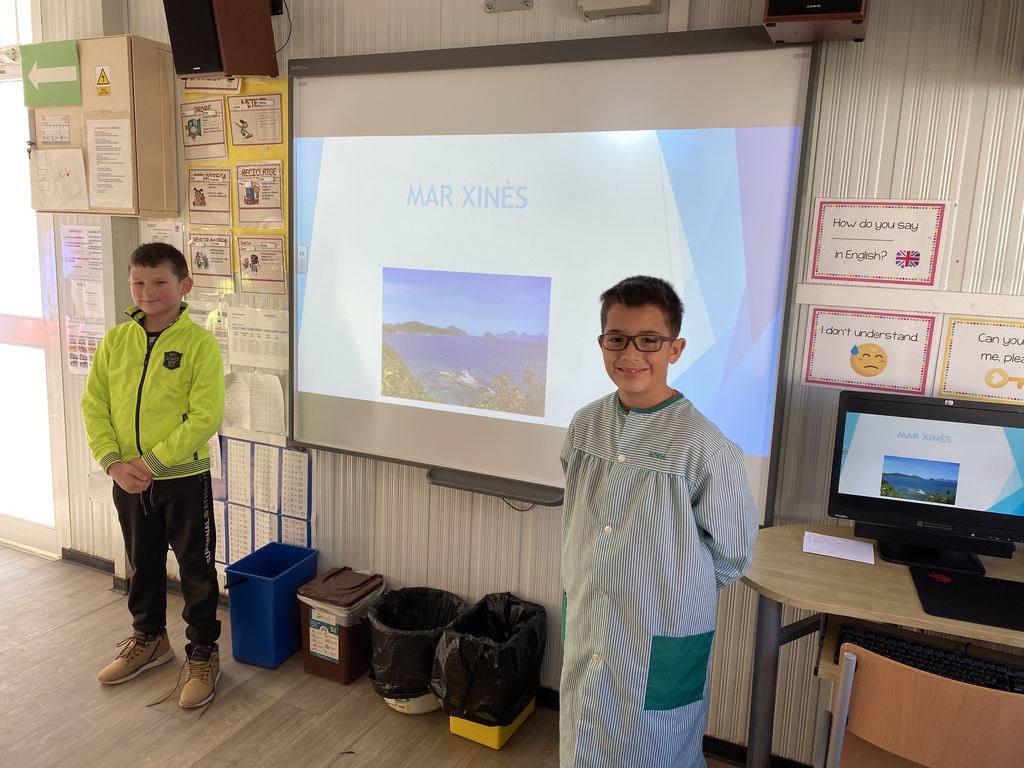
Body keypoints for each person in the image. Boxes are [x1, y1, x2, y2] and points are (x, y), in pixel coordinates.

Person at [559, 275, 759, 767]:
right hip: (589, 617)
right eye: (617, 339)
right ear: (602, 344)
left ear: (675, 348)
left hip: (663, 628)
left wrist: (669, 585)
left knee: (658, 747)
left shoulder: (703, 445)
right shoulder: (585, 425)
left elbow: (731, 554)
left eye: (649, 340)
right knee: (584, 739)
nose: (631, 354)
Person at [82, 242, 225, 709]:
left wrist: (152, 463)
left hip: (183, 477)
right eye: (138, 282)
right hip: (127, 479)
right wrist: (113, 463)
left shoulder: (200, 345)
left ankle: (203, 652)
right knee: (141, 562)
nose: (148, 291)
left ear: (184, 286)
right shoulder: (115, 341)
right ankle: (149, 639)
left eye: (160, 281)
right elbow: (94, 406)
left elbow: (204, 417)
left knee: (196, 569)